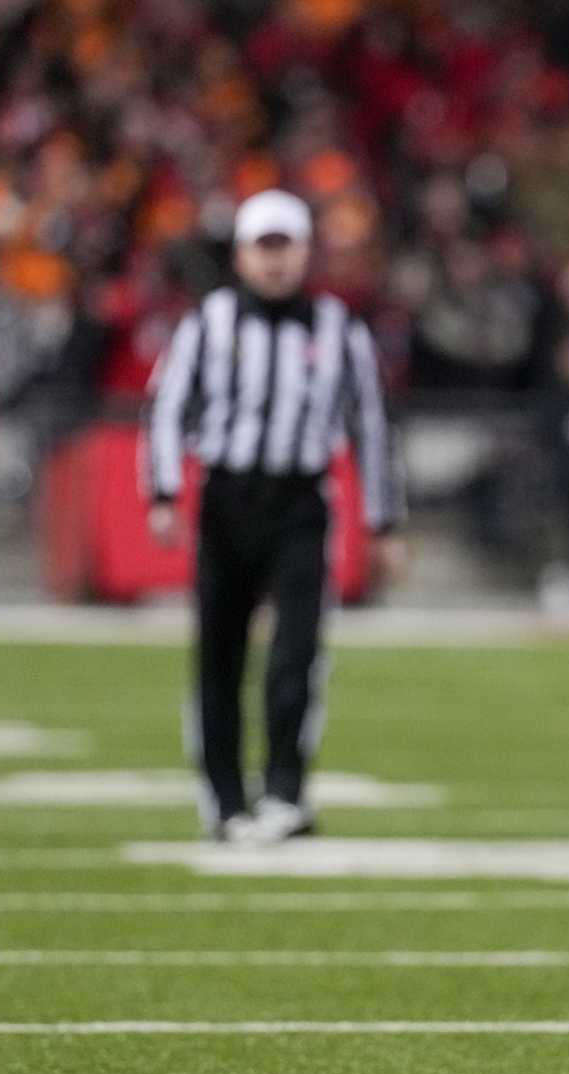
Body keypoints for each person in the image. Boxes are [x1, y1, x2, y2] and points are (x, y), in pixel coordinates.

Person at [144, 189, 406, 844]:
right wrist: (166, 492)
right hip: (227, 499)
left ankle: (286, 792)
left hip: (300, 503)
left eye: (285, 246)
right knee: (220, 655)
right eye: (264, 247)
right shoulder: (208, 323)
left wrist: (383, 522)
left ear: (305, 252)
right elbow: (168, 408)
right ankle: (225, 798)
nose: (275, 261)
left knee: (298, 656)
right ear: (241, 253)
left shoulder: (338, 328)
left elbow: (371, 426)